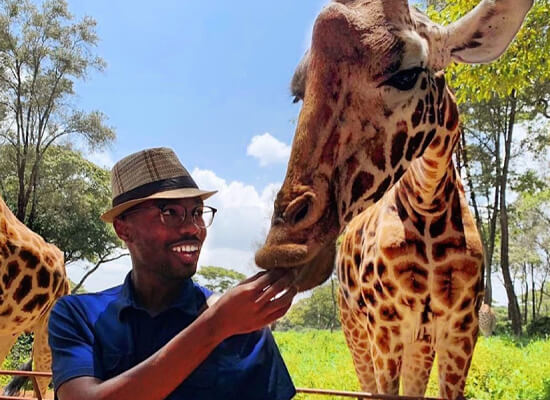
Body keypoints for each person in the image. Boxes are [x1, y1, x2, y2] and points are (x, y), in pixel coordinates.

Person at [48, 147, 297, 400]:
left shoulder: (244, 325)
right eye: (170, 212)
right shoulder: (78, 315)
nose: (193, 228)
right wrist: (216, 326)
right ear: (123, 230)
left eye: (198, 213)